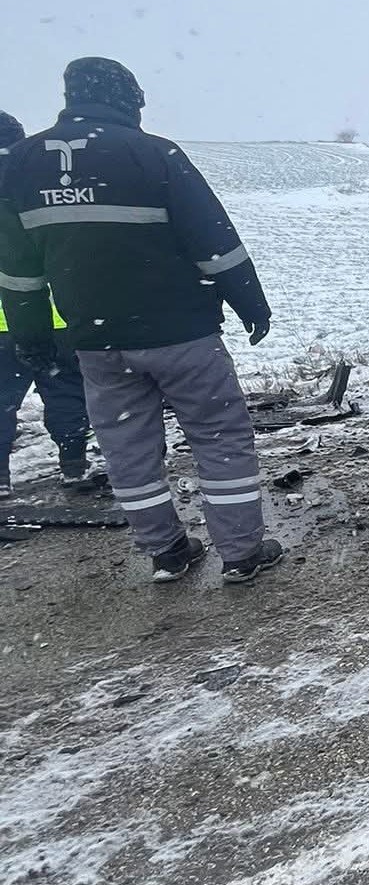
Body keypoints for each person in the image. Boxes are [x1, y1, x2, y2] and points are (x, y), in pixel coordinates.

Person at [0, 58, 283, 583]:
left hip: (98, 343)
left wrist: (31, 335)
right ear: (127, 98)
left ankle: (167, 552)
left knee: (126, 448)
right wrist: (251, 304)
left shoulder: (21, 163)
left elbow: (18, 272)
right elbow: (214, 241)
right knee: (219, 437)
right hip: (183, 335)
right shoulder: (152, 153)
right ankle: (242, 553)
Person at [0, 110, 94, 497]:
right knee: (65, 390)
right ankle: (74, 466)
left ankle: (0, 480)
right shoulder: (41, 182)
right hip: (55, 313)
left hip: (3, 324)